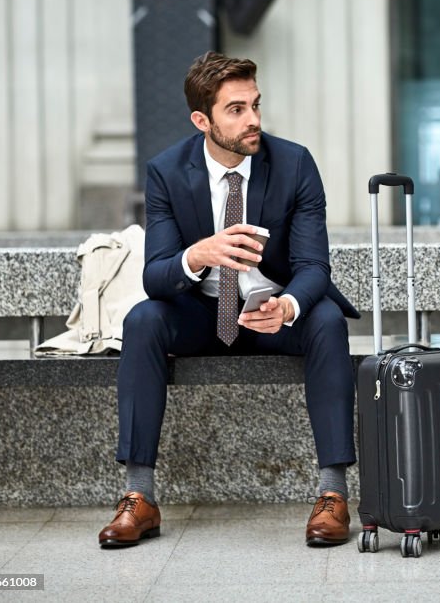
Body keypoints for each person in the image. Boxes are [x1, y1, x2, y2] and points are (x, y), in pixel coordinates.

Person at [98, 51, 359, 549]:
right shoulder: (167, 172)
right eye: (236, 109)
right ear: (203, 120)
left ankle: (333, 494)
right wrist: (197, 255)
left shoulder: (294, 164)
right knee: (143, 319)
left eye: (256, 105)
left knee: (324, 317)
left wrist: (287, 307)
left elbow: (313, 267)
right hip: (203, 315)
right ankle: (139, 496)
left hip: (271, 314)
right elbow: (156, 276)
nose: (254, 119)